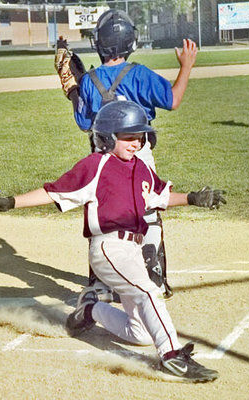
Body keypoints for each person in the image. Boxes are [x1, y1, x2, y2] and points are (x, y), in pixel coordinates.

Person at [0, 101, 225, 381]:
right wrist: (10, 202)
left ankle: (91, 309)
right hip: (108, 248)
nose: (137, 143)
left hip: (133, 249)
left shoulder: (141, 168)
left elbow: (161, 197)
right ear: (107, 138)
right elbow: (54, 192)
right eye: (129, 137)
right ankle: (171, 356)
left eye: (140, 137)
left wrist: (193, 198)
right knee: (147, 292)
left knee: (140, 333)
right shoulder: (96, 166)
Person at [55, 9, 198, 300]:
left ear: (99, 43)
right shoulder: (140, 74)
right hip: (138, 155)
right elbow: (173, 100)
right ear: (130, 42)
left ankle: (101, 283)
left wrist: (76, 92)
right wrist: (186, 66)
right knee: (147, 212)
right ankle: (154, 279)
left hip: (102, 160)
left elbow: (84, 123)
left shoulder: (90, 80)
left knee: (102, 217)